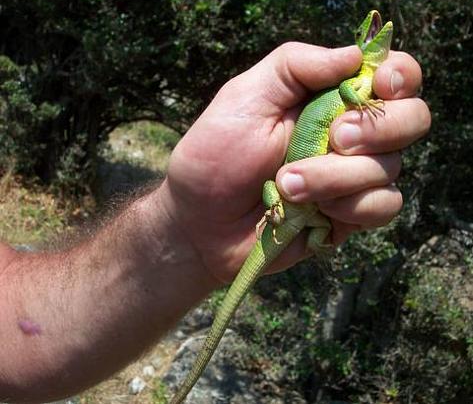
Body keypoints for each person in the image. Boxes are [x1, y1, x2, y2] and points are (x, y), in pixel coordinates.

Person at [0, 42, 429, 402]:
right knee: (307, 204)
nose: (380, 33)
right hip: (297, 214)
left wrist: (184, 228)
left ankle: (312, 234)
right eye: (373, 34)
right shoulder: (351, 87)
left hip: (288, 211)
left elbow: (14, 323)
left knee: (310, 198)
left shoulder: (353, 84)